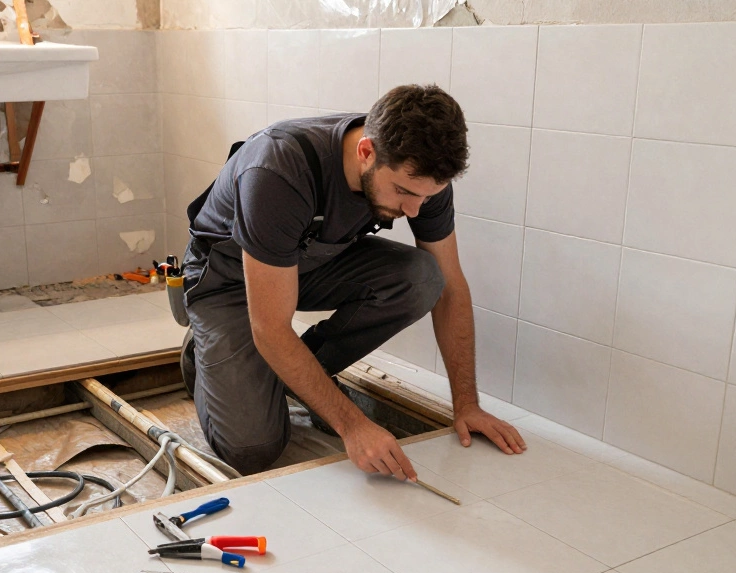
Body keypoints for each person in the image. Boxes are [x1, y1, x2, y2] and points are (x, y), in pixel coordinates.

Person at [179, 83, 526, 479]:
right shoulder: (278, 171)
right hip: (228, 282)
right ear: (366, 152)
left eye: (427, 197)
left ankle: (283, 373)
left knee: (423, 278)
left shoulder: (422, 181)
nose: (415, 209)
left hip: (307, 266)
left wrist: (467, 405)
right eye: (403, 192)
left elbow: (451, 287)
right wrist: (353, 426)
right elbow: (270, 327)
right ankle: (202, 353)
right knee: (253, 449)